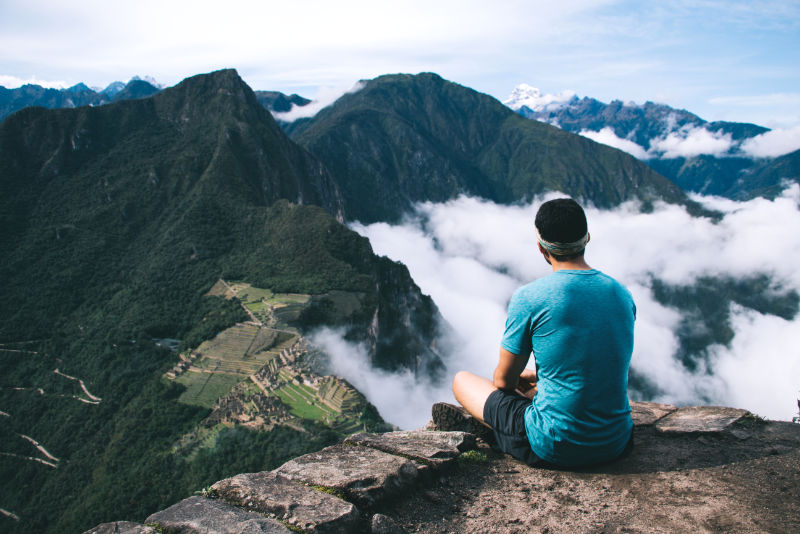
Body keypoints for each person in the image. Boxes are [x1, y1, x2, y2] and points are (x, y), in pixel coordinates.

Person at [451, 198, 636, 467]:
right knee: (538, 387)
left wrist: (520, 380)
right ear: (587, 239)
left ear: (540, 247)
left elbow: (503, 381)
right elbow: (601, 362)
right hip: (616, 442)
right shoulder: (622, 294)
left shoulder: (530, 298)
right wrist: (540, 376)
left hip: (553, 446)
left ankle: (495, 431)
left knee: (462, 380)